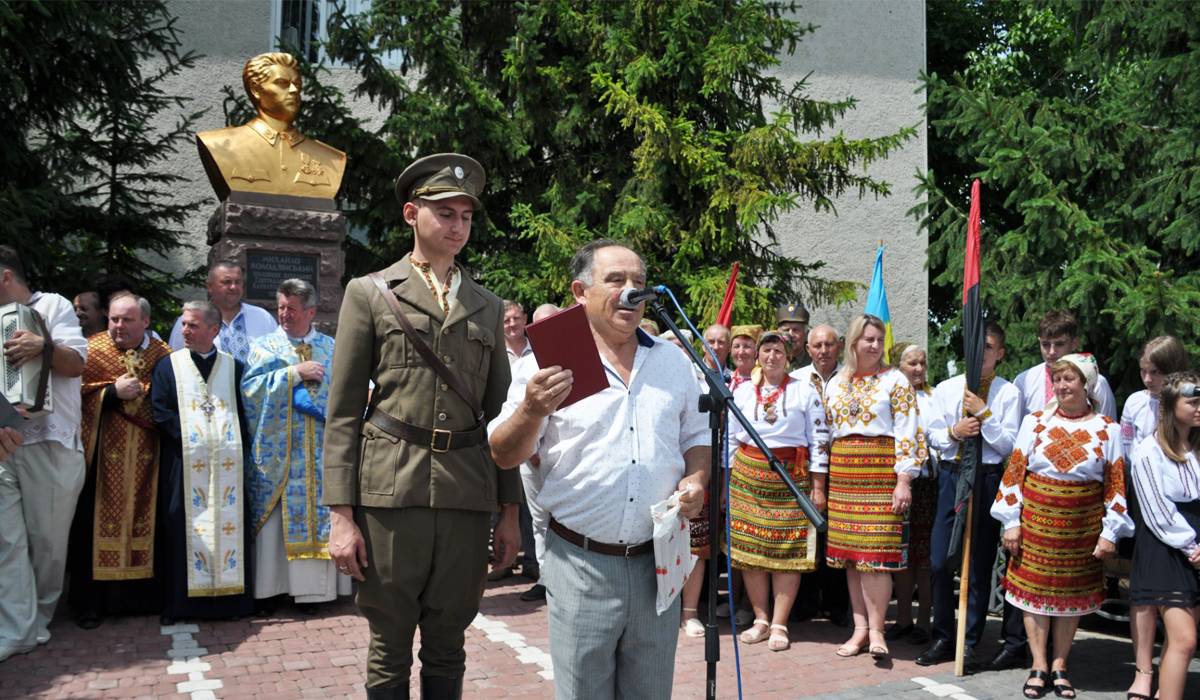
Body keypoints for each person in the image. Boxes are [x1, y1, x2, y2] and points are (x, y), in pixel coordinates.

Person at [321, 153, 521, 700]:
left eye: (465, 216)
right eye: (444, 213)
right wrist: (342, 516)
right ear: (412, 213)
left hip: (465, 490)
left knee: (448, 641)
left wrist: (509, 513)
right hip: (390, 491)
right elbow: (342, 412)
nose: (457, 226)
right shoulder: (370, 293)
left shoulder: (486, 305)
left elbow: (503, 419)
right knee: (388, 641)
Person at [488, 240, 709, 700]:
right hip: (580, 563)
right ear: (579, 292)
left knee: (650, 693)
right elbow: (503, 453)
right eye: (615, 280)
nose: (630, 291)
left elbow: (696, 438)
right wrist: (530, 410)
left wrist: (697, 479)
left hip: (656, 561)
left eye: (639, 283)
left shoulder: (672, 361)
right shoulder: (547, 359)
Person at [991, 353, 1133, 699]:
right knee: (1034, 597)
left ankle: (1060, 665)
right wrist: (1011, 522)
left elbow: (1115, 485)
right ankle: (1038, 665)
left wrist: (1109, 532)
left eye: (1070, 379)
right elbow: (1015, 475)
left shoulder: (1107, 428)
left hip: (1081, 530)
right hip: (1035, 524)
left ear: (1087, 384)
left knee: (1069, 599)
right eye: (1057, 379)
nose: (1062, 385)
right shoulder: (1035, 422)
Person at [915, 322, 1021, 667]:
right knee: (941, 560)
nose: (981, 354)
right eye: (976, 347)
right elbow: (931, 434)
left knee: (977, 565)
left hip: (987, 477)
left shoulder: (1008, 393)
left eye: (988, 348)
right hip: (952, 475)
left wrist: (983, 413)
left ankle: (969, 640)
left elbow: (1007, 443)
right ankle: (944, 635)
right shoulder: (946, 389)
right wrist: (954, 431)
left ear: (1000, 353)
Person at [0, 245, 87, 662]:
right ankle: (17, 630)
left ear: (5, 276)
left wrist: (43, 347)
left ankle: (36, 624)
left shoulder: (50, 305)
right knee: (7, 543)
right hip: (4, 444)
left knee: (47, 547)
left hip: (50, 442)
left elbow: (77, 364)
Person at [242, 279, 349, 613]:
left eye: (292, 309)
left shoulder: (332, 348)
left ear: (311, 312)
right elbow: (250, 391)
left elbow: (347, 392)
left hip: (319, 453)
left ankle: (313, 594)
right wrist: (292, 374)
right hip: (279, 455)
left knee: (320, 516)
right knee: (276, 523)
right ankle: (272, 591)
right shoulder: (264, 346)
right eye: (281, 308)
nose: (285, 315)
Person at [67, 295, 172, 629]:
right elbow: (72, 396)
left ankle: (142, 599)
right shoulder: (90, 350)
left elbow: (172, 396)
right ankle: (91, 605)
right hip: (100, 458)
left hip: (148, 459)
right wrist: (110, 393)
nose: (118, 327)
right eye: (113, 319)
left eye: (127, 320)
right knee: (91, 526)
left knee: (149, 521)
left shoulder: (162, 355)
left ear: (145, 322)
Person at [823, 314, 924, 659]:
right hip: (844, 475)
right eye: (868, 339)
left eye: (879, 340)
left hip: (881, 472)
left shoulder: (895, 380)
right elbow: (827, 432)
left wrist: (904, 480)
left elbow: (909, 430)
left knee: (877, 558)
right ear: (853, 342)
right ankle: (860, 629)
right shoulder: (836, 382)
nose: (875, 345)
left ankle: (879, 630)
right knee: (853, 558)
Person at [150, 301, 255, 623]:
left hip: (228, 469)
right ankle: (181, 605)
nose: (185, 331)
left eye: (193, 325)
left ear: (213, 330)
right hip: (184, 463)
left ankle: (231, 603)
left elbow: (246, 412)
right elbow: (160, 410)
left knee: (230, 526)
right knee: (180, 525)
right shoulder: (169, 366)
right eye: (183, 325)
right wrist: (190, 438)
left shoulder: (234, 367)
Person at [724, 331, 828, 651]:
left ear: (788, 356)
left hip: (789, 478)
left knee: (786, 553)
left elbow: (819, 439)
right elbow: (730, 438)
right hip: (748, 477)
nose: (772, 356)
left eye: (778, 351)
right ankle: (760, 619)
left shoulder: (804, 391)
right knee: (753, 552)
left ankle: (781, 623)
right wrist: (727, 484)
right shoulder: (742, 392)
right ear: (758, 356)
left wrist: (819, 486)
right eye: (766, 350)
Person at [1121, 336, 1189, 700]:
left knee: (1181, 598)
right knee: (1144, 593)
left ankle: (1172, 666)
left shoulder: (1187, 404)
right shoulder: (1134, 403)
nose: (1148, 379)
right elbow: (1126, 453)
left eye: (1156, 372)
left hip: (1182, 506)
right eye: (1143, 371)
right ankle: (1143, 671)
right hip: (1144, 504)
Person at [1129, 372, 1200, 700]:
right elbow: (1157, 512)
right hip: (1167, 548)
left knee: (1181, 640)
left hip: (1194, 547)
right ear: (1172, 406)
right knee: (1185, 639)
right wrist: (1191, 546)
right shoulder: (1148, 450)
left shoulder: (1195, 448)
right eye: (1193, 401)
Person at [195, 52, 346, 201]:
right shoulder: (219, 145)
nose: (294, 91)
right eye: (282, 83)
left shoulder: (331, 159)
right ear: (256, 89)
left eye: (297, 84)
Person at [791, 323, 850, 626]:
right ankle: (805, 602)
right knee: (808, 532)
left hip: (841, 465)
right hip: (806, 464)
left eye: (829, 345)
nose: (823, 351)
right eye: (817, 346)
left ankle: (838, 604)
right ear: (809, 349)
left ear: (839, 346)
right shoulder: (797, 379)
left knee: (836, 533)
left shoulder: (851, 378)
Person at [886, 342, 936, 646]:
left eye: (921, 363)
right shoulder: (888, 393)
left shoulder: (933, 397)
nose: (918, 369)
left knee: (924, 556)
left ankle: (924, 620)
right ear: (897, 366)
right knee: (900, 555)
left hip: (926, 484)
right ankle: (902, 617)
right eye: (911, 364)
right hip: (895, 481)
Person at [516, 302, 560, 604]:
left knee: (562, 521)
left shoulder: (575, 354)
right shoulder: (524, 364)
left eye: (552, 323)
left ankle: (561, 579)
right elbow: (517, 411)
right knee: (539, 521)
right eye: (540, 324)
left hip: (560, 462)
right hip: (530, 461)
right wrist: (530, 449)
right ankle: (545, 579)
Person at [489, 300, 536, 584]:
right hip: (504, 433)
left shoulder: (538, 350)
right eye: (506, 320)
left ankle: (531, 562)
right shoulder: (496, 353)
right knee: (504, 498)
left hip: (530, 436)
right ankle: (503, 562)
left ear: (525, 319)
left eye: (516, 319)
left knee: (530, 503)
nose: (511, 324)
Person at [168, 260, 278, 362]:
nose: (233, 287)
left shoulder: (263, 317)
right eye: (227, 282)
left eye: (238, 282)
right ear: (209, 286)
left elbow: (279, 356)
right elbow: (176, 360)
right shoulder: (190, 320)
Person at [1013, 310, 1116, 419]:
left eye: (1059, 344)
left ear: (1075, 343)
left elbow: (1108, 427)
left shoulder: (1095, 383)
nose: (1051, 351)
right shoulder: (1024, 381)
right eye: (1045, 344)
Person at [776, 302, 810, 371]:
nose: (790, 334)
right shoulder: (770, 360)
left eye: (796, 330)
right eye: (786, 330)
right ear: (778, 333)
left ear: (806, 334)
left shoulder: (815, 362)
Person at [728, 324, 761, 390]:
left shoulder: (766, 381)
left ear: (756, 351)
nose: (741, 352)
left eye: (747, 347)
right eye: (736, 346)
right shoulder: (726, 381)